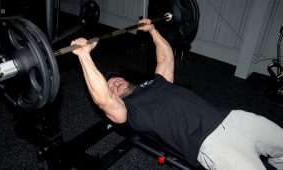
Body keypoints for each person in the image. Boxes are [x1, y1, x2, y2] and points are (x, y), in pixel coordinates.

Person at [71, 18, 283, 170]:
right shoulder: (129, 113)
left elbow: (166, 59)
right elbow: (103, 100)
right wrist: (84, 56)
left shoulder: (156, 83)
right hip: (214, 144)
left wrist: (152, 30)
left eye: (116, 79)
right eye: (111, 86)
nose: (114, 83)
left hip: (236, 118)